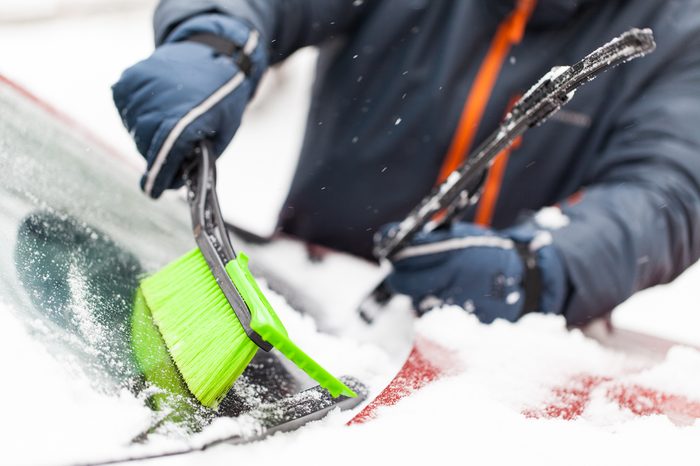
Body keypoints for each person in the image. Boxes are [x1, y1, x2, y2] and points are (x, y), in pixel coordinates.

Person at [113, 0, 700, 327]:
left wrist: (543, 268)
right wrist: (213, 39)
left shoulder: (680, 31)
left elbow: (669, 189)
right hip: (305, 300)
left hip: (508, 367)